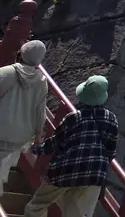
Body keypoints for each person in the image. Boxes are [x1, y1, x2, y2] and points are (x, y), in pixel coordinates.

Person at [24, 75, 119, 217]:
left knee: (38, 205)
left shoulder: (74, 117)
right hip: (95, 174)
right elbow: (111, 151)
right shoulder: (111, 119)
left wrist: (35, 149)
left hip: (66, 170)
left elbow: (55, 143)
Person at [0, 41, 48, 191]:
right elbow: (40, 111)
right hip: (20, 135)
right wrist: (38, 135)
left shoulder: (5, 72)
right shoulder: (41, 81)